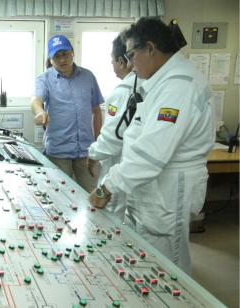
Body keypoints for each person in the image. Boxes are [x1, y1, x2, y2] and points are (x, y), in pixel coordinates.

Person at [89, 18, 215, 273]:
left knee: (168, 260)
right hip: (153, 184)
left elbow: (151, 153)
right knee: (145, 250)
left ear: (150, 48)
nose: (130, 63)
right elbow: (137, 135)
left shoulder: (178, 86)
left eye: (132, 54)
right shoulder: (161, 83)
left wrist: (107, 187)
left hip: (170, 187)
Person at [31, 34, 104, 192]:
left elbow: (97, 111)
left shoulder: (88, 76)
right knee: (60, 198)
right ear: (51, 60)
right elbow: (36, 100)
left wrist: (98, 142)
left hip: (87, 151)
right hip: (58, 151)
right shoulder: (44, 79)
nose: (62, 60)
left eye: (64, 54)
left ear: (72, 52)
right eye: (56, 56)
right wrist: (40, 112)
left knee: (91, 196)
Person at [87, 33, 139, 221]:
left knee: (110, 217)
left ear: (121, 61)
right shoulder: (147, 86)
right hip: (133, 171)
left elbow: (112, 137)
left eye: (112, 61)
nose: (112, 66)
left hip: (118, 166)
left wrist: (92, 155)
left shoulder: (123, 91)